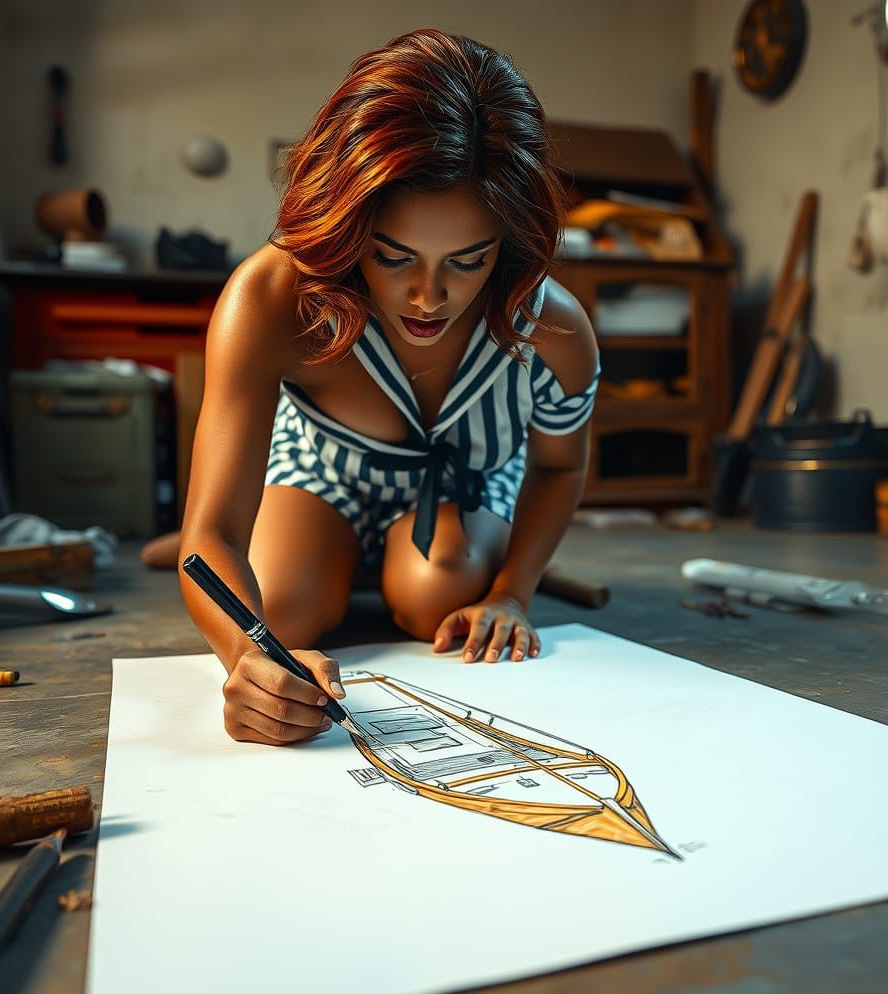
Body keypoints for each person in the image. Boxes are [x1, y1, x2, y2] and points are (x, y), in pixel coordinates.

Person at [178, 27, 599, 747]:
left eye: (468, 261)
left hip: (467, 491)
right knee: (282, 608)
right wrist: (248, 658)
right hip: (320, 476)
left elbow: (559, 468)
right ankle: (295, 530)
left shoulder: (553, 330)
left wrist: (512, 594)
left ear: (510, 244)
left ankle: (417, 562)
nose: (428, 297)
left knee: (438, 595)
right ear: (348, 226)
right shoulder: (272, 298)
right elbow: (211, 534)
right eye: (394, 256)